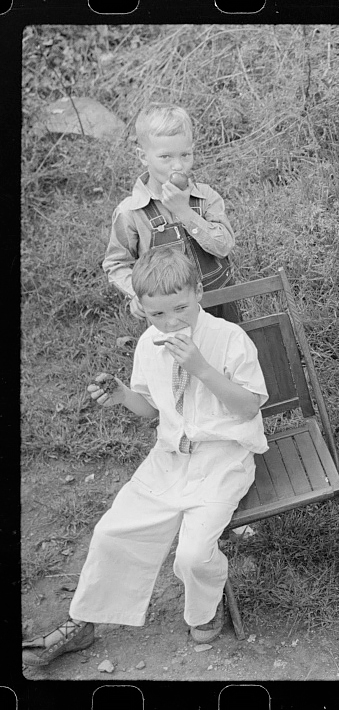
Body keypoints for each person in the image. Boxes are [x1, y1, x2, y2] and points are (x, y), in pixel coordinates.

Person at [22, 247, 268, 666]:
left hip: (223, 459)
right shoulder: (148, 345)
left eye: (180, 309)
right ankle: (86, 619)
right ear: (142, 310)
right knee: (111, 531)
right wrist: (121, 396)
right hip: (170, 458)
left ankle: (205, 610)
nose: (170, 322)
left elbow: (248, 407)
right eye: (157, 315)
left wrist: (203, 368)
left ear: (199, 294)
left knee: (192, 554)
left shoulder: (229, 339)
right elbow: (153, 408)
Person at [102, 102, 240, 322]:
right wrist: (136, 294)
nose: (177, 166)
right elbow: (117, 264)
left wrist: (185, 212)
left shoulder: (206, 197)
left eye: (185, 155)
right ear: (143, 156)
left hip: (221, 306)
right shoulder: (131, 212)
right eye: (165, 157)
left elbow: (223, 246)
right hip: (169, 318)